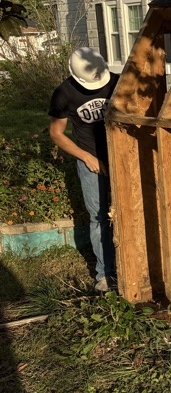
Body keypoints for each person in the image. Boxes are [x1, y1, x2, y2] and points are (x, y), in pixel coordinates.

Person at [49, 47, 118, 291]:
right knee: (98, 216)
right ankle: (105, 274)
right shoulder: (64, 93)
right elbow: (56, 134)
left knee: (130, 211)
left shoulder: (117, 83)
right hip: (90, 161)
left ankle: (136, 265)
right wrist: (86, 156)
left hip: (121, 156)